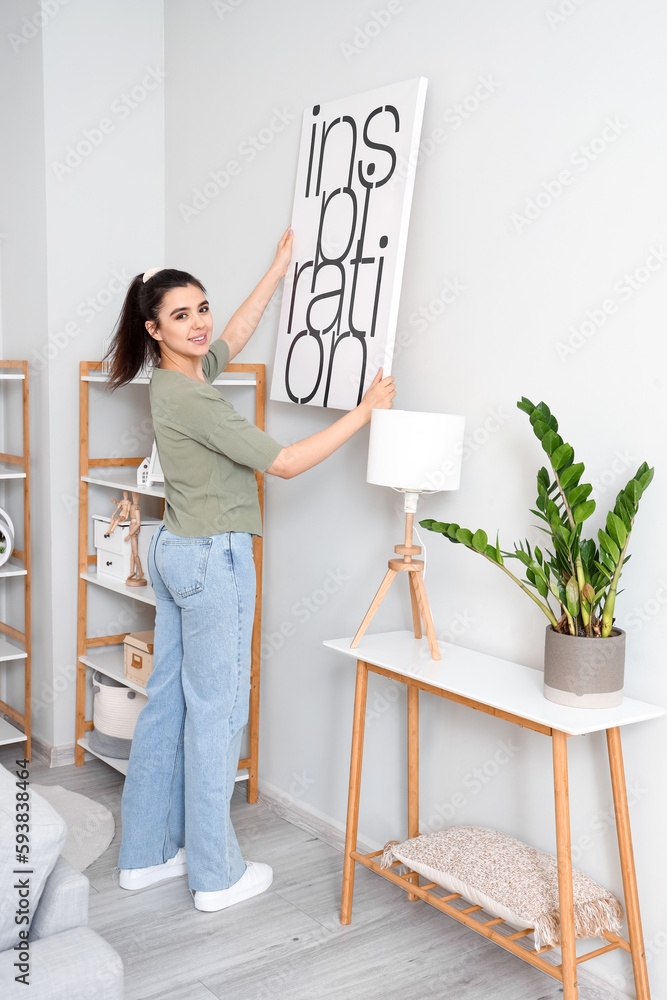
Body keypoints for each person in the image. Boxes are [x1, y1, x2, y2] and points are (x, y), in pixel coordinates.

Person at [103, 227, 396, 912]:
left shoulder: (172, 381)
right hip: (212, 558)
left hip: (175, 550)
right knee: (216, 714)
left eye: (201, 307)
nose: (200, 323)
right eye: (181, 314)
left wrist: (277, 269)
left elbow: (231, 333)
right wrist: (365, 410)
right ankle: (215, 874)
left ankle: (146, 855)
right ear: (154, 328)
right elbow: (286, 463)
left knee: (169, 704)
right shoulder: (196, 399)